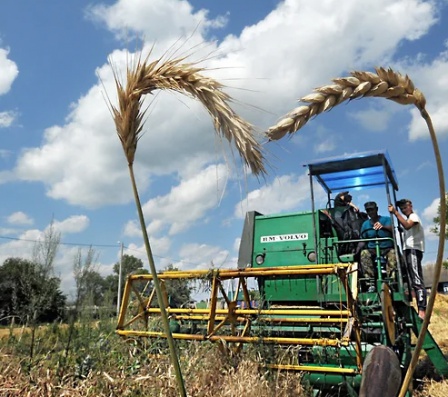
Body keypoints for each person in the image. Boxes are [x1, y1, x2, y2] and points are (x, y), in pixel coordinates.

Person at [389, 199, 427, 320]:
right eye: (402, 209)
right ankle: (409, 298)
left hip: (414, 249)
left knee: (416, 277)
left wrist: (395, 213)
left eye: (405, 208)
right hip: (407, 249)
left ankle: (422, 309)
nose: (404, 210)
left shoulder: (414, 216)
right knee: (407, 276)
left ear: (410, 206)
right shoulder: (408, 218)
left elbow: (407, 225)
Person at [357, 201, 397, 288]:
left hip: (387, 248)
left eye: (372, 210)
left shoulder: (386, 219)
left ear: (377, 209)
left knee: (393, 254)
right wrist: (357, 250)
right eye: (368, 211)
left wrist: (383, 226)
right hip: (373, 249)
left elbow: (393, 230)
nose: (370, 212)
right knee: (364, 254)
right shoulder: (365, 224)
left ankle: (391, 281)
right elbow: (363, 239)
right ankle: (370, 283)